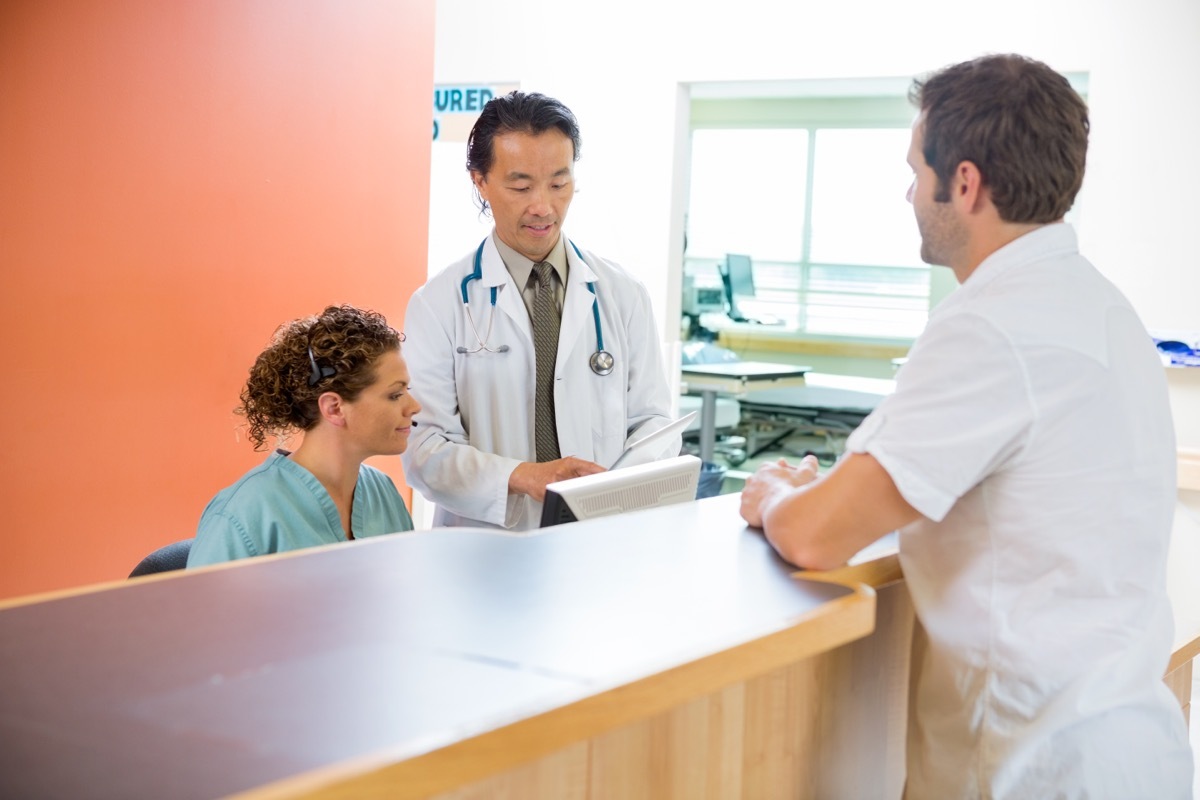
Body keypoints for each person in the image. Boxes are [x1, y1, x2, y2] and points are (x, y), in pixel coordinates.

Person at [740, 54, 1192, 798]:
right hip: (1129, 751)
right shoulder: (1103, 307)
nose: (909, 192)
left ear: (966, 183)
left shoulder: (990, 325)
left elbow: (817, 535)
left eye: (917, 170)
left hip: (1036, 767)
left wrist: (770, 497)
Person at [403, 91, 678, 530]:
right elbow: (424, 449)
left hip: (598, 538)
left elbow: (654, 422)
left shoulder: (623, 293)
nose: (543, 207)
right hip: (487, 549)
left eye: (558, 182)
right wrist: (525, 477)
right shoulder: (438, 305)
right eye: (520, 185)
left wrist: (611, 490)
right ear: (480, 180)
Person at [188, 305, 419, 567]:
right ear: (334, 408)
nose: (414, 406)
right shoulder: (242, 515)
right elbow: (203, 609)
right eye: (395, 395)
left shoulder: (382, 493)